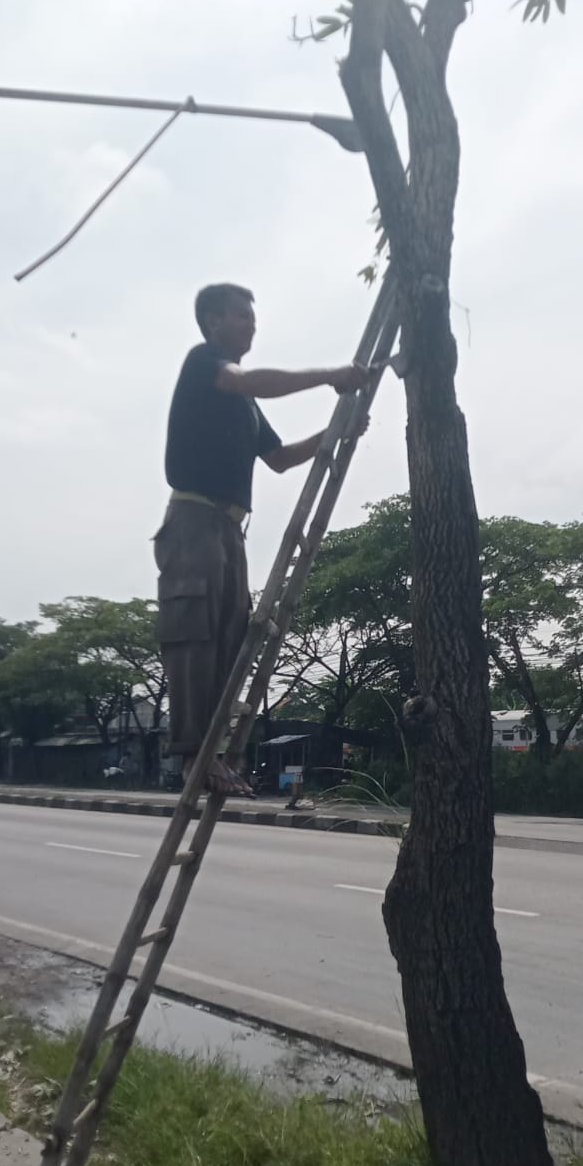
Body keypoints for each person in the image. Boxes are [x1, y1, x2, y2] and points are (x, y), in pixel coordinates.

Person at [157, 283, 368, 797]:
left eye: (253, 317)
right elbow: (248, 379)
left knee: (230, 638)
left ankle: (215, 754)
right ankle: (193, 759)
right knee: (195, 634)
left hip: (230, 529)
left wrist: (336, 432)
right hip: (194, 521)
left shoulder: (245, 401)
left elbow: (277, 458)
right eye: (241, 316)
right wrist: (329, 377)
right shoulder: (206, 364)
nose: (252, 325)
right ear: (212, 321)